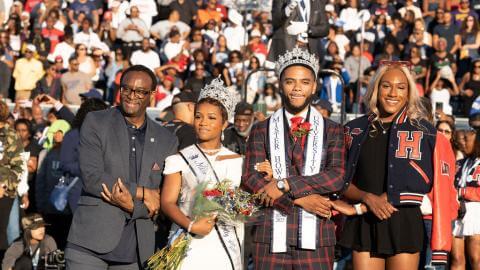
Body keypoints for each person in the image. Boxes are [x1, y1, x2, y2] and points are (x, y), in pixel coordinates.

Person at [337, 61, 456, 269]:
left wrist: (393, 197)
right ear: (375, 88)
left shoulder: (426, 134)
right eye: (386, 85)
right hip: (364, 220)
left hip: (404, 222)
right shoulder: (353, 130)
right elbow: (340, 179)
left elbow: (434, 186)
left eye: (401, 87)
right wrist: (367, 198)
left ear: (409, 92)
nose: (393, 93)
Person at [65, 65, 178, 269]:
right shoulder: (96, 121)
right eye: (126, 89)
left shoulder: (166, 139)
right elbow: (92, 178)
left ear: (152, 95)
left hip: (135, 250)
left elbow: (163, 197)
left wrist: (133, 206)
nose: (131, 95)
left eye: (140, 91)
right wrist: (142, 192)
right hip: (90, 243)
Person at [242, 47, 346, 268]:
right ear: (280, 84)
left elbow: (336, 176)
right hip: (270, 235)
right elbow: (251, 179)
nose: (297, 88)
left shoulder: (333, 130)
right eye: (290, 81)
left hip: (317, 236)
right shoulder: (261, 129)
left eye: (304, 82)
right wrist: (300, 199)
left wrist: (284, 183)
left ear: (314, 86)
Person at [161, 77, 244, 269]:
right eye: (198, 116)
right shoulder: (179, 159)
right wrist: (191, 225)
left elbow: (247, 201)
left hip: (226, 243)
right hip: (190, 240)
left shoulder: (240, 162)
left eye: (211, 118)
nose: (203, 122)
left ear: (224, 123)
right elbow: (167, 202)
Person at [60, 98, 108, 213]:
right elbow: (65, 164)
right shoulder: (72, 136)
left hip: (103, 191)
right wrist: (88, 167)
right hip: (79, 191)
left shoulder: (107, 136)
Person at [451, 131, 480, 270]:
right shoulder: (459, 163)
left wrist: (462, 192)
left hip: (476, 213)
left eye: (466, 139)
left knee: (476, 258)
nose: (462, 142)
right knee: (456, 258)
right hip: (457, 212)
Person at [0, 99, 24, 259]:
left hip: (4, 193)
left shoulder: (10, 135)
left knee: (1, 231)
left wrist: (2, 185)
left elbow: (17, 167)